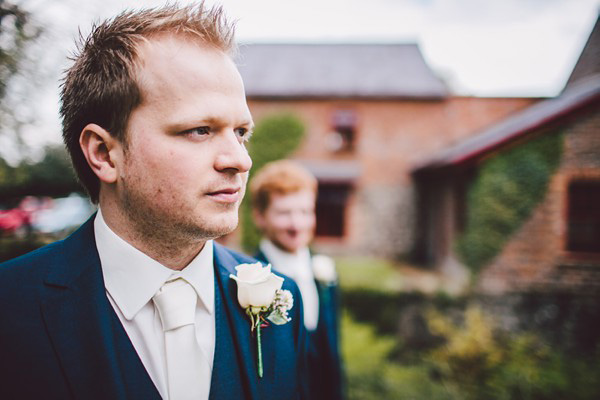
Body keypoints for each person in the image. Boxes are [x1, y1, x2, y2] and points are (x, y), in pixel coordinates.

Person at [0, 4, 307, 399]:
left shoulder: (283, 302)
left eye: (241, 132)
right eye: (199, 130)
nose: (240, 160)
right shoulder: (11, 307)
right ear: (105, 154)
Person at [251, 160, 344, 400]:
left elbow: (332, 353)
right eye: (284, 213)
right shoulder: (248, 281)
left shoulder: (324, 273)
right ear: (260, 217)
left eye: (304, 211)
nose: (296, 225)